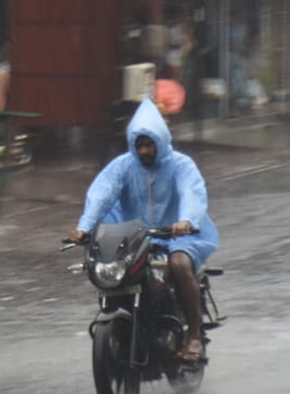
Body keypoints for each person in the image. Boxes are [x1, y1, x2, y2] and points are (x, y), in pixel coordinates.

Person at [70, 98, 219, 363]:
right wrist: (84, 227)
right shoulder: (123, 166)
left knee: (180, 264)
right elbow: (102, 195)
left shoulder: (180, 165)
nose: (144, 151)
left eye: (149, 145)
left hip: (177, 236)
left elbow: (192, 194)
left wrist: (186, 220)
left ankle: (193, 335)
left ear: (160, 142)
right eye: (139, 145)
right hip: (135, 237)